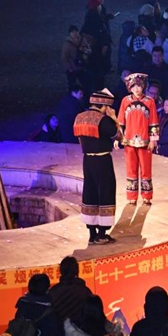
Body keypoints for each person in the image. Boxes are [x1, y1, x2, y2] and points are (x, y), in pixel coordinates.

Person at [73, 88, 120, 245]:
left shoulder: (79, 117)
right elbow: (117, 135)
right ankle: (101, 234)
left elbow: (80, 140)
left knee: (90, 192)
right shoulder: (103, 120)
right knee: (105, 192)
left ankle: (92, 234)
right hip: (102, 160)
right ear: (104, 106)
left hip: (87, 161)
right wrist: (114, 118)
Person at [118, 73, 159, 205]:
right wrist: (118, 138)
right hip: (129, 141)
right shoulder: (125, 101)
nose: (136, 89)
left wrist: (153, 140)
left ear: (143, 87)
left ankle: (147, 195)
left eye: (139, 86)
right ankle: (132, 196)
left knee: (146, 169)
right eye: (134, 86)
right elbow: (120, 121)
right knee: (131, 168)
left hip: (145, 142)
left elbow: (153, 122)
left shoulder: (149, 101)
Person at [49, 256, 94, 322]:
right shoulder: (85, 291)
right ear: (77, 270)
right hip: (80, 330)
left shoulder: (53, 291)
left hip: (59, 330)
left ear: (61, 270)